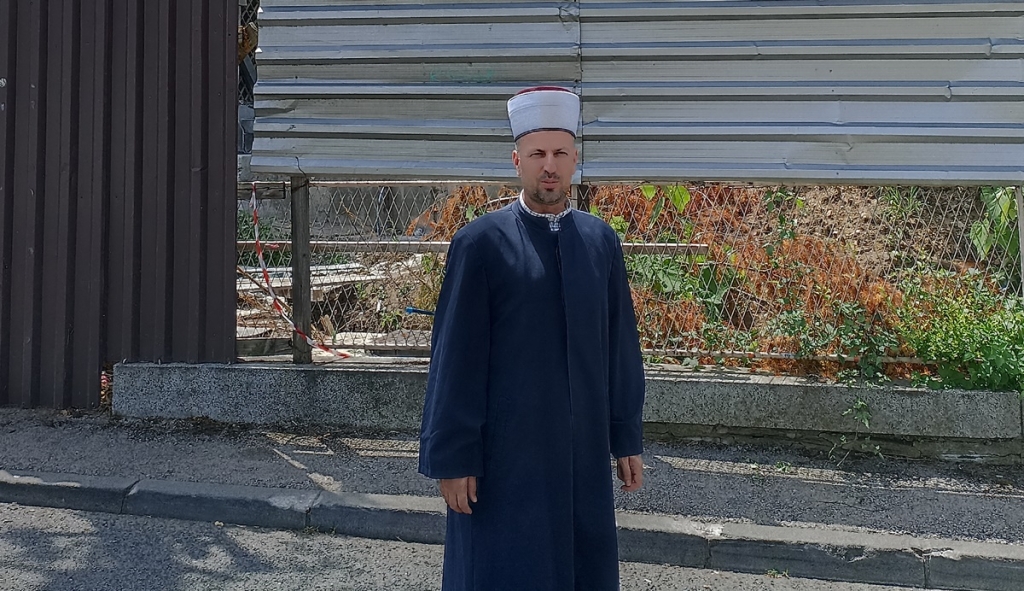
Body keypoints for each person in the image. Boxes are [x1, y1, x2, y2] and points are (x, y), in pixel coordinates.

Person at [418, 86, 646, 591]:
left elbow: (620, 349)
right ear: (517, 160)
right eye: (538, 154)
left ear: (575, 160)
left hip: (582, 455)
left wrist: (626, 437)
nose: (549, 166)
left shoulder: (600, 242)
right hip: (503, 459)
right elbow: (455, 360)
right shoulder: (480, 244)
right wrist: (453, 458)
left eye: (560, 153)